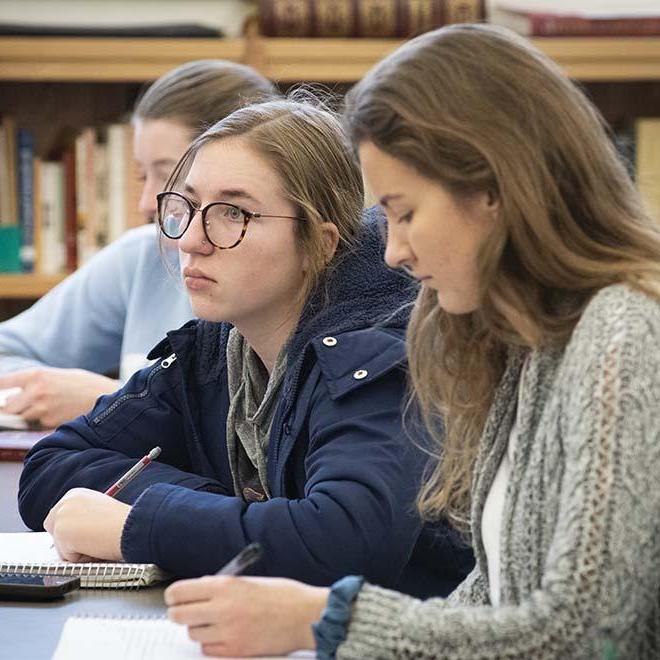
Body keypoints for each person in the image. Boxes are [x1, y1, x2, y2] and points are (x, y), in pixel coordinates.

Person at [162, 24, 660, 660]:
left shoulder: (622, 332)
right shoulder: (523, 342)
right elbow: (494, 593)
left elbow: (590, 633)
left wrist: (329, 621)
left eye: (404, 211)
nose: (392, 250)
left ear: (492, 190)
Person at [18, 98, 473, 598]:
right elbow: (52, 465)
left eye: (232, 213)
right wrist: (235, 515)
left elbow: (346, 542)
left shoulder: (376, 353)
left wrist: (140, 525)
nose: (190, 239)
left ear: (320, 243)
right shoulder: (219, 344)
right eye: (186, 207)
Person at [0, 60, 277, 428]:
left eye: (167, 175)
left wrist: (113, 400)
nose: (147, 203)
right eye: (141, 175)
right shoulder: (145, 255)